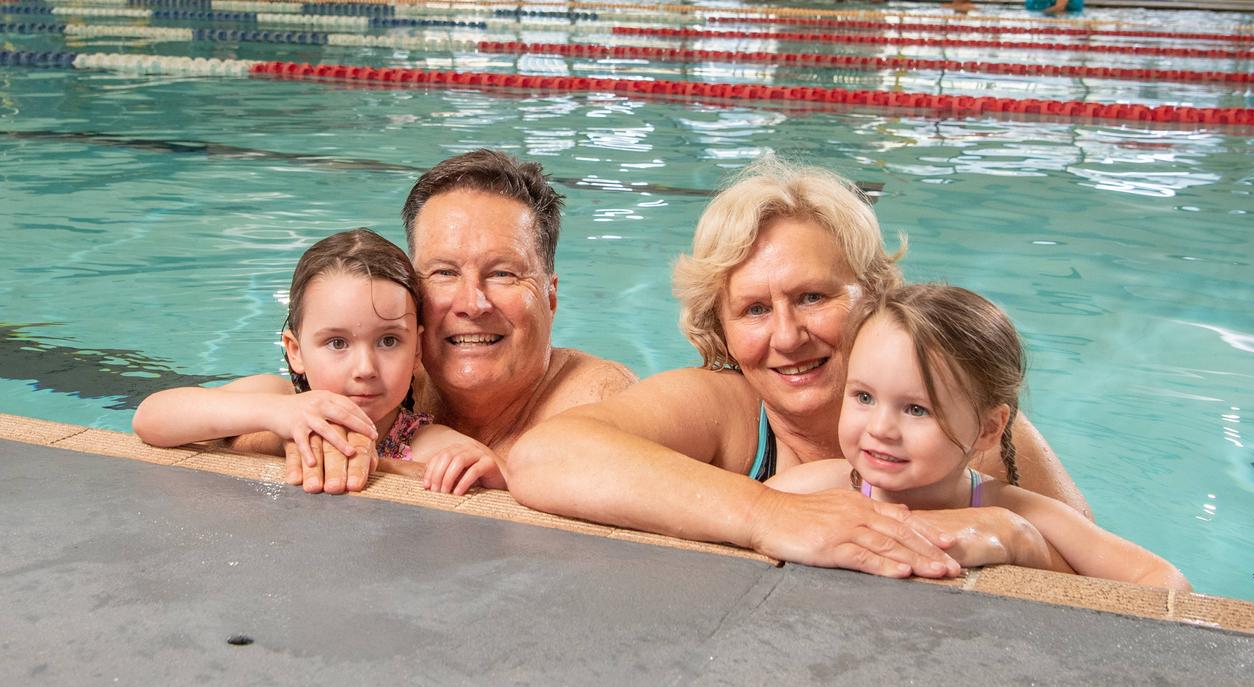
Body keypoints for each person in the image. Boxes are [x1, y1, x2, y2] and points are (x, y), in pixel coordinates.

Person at [508, 157, 1090, 578]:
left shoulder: (980, 441)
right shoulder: (728, 411)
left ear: (876, 296)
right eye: (754, 309)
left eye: (813, 297)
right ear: (723, 329)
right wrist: (771, 515)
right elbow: (545, 457)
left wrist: (1022, 543)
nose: (787, 336)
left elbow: (1126, 598)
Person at [766, 284, 1189, 589]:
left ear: (989, 428)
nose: (880, 428)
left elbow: (1165, 583)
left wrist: (1022, 548)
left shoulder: (1020, 512)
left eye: (917, 409)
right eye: (863, 396)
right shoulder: (818, 489)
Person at [276, 150, 637, 493]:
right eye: (444, 272)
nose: (472, 304)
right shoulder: (381, 385)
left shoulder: (599, 404)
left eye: (503, 274)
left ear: (551, 295)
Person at [133, 229, 504, 494]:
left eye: (388, 341)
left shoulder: (422, 442)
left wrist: (474, 468)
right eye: (337, 342)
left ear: (418, 350)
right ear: (295, 351)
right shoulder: (272, 397)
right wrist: (274, 415)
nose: (365, 368)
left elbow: (495, 480)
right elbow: (151, 418)